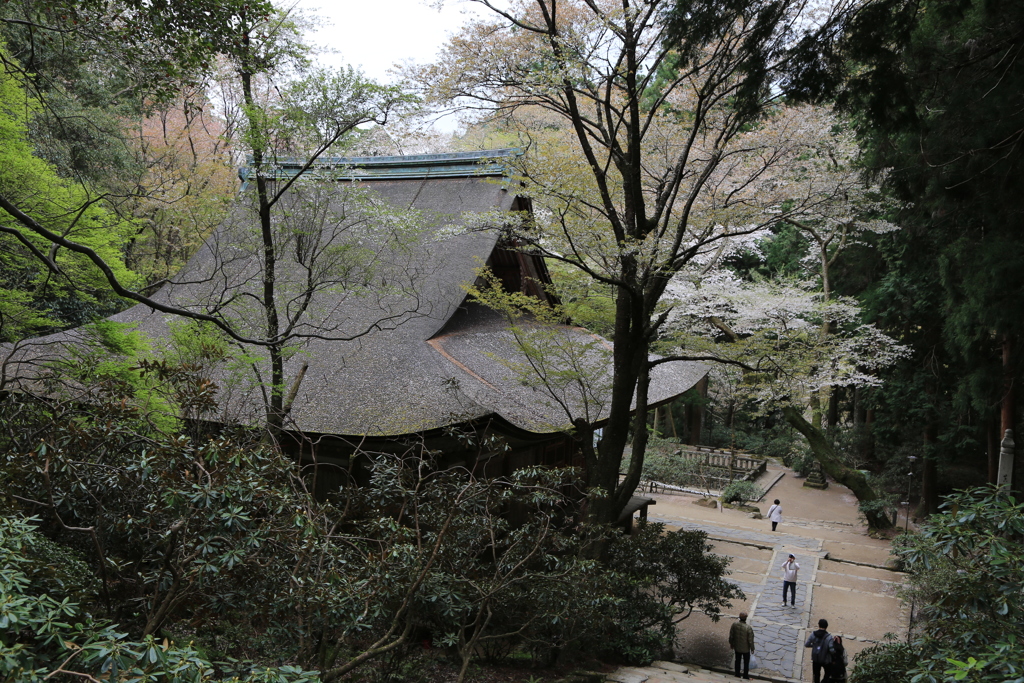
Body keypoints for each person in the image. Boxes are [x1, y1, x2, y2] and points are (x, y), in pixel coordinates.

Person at [804, 618, 834, 683]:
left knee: (816, 675)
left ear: (819, 625)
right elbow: (831, 650)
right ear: (826, 626)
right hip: (825, 659)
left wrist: (814, 646)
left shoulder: (813, 634)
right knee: (828, 673)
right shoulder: (829, 637)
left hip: (816, 658)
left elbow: (806, 644)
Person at [728, 611, 756, 679]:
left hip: (737, 647)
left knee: (737, 660)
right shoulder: (748, 628)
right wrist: (752, 648)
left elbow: (731, 636)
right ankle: (745, 675)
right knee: (746, 662)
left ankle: (737, 674)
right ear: (745, 618)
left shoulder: (734, 625)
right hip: (746, 648)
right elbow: (750, 640)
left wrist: (731, 643)